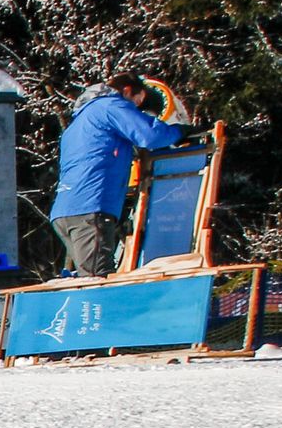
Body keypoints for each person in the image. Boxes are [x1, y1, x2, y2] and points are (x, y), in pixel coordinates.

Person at [48, 73, 186, 278]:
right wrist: (179, 131)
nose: (137, 111)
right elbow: (149, 135)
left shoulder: (81, 119)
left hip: (66, 210)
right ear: (128, 91)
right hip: (91, 207)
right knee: (97, 281)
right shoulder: (111, 105)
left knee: (84, 278)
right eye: (138, 104)